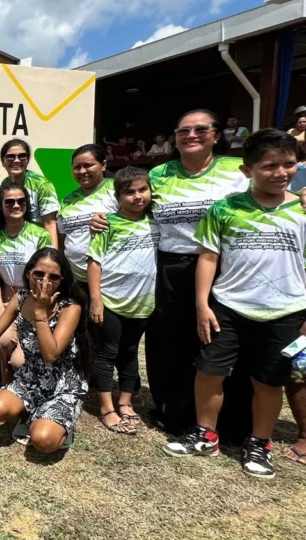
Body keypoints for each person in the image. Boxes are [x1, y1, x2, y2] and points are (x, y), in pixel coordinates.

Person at [92, 109, 251, 437]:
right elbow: (129, 203)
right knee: (169, 344)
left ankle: (229, 420)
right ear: (174, 138)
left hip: (223, 266)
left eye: (201, 129)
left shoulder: (235, 170)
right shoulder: (160, 174)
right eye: (183, 131)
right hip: (169, 267)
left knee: (218, 341)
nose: (192, 135)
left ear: (216, 135)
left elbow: (269, 191)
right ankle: (172, 412)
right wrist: (100, 218)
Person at [163, 129, 306, 479]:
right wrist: (202, 303)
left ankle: (259, 443)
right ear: (247, 171)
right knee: (209, 371)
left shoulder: (302, 209)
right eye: (269, 165)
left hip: (285, 310)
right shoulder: (225, 208)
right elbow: (209, 257)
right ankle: (205, 434)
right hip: (228, 305)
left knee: (268, 382)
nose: (280, 172)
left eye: (288, 164)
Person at [0, 248, 91, 453]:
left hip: (62, 384)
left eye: (53, 277)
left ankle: (59, 425)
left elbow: (51, 354)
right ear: (29, 272)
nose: (44, 281)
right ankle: (34, 414)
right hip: (30, 377)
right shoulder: (20, 298)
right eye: (39, 274)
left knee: (43, 441)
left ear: (62, 280)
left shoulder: (70, 307)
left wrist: (40, 311)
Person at [86, 167, 159, 435]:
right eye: (129, 192)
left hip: (142, 303)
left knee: (130, 352)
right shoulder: (108, 224)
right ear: (118, 197)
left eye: (143, 190)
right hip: (111, 301)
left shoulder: (156, 220)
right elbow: (94, 263)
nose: (138, 196)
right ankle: (106, 406)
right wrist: (96, 300)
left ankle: (125, 401)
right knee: (107, 352)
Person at [0, 184, 53, 383]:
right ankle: (7, 383)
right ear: (0, 206)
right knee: (3, 340)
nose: (16, 205)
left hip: (34, 298)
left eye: (21, 201)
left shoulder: (40, 235)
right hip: (5, 298)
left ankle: (30, 383)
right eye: (10, 201)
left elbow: (46, 275)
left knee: (20, 361)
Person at [57, 144, 118, 286]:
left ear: (103, 165)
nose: (82, 171)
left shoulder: (117, 190)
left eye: (88, 165)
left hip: (109, 278)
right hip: (75, 279)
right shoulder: (67, 200)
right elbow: (62, 238)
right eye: (77, 167)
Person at [0, 138, 60, 245]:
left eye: (22, 156)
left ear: (27, 160)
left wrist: (51, 256)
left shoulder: (42, 185)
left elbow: (50, 223)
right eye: (10, 157)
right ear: (3, 162)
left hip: (37, 244)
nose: (16, 160)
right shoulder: (5, 183)